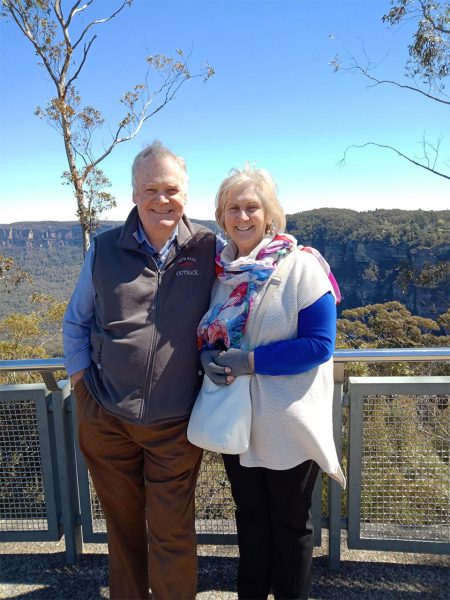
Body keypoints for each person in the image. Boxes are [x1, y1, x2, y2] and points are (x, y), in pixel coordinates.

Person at [63, 141, 216, 600]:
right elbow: (76, 321)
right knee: (123, 533)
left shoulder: (210, 247)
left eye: (171, 189)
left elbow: (255, 276)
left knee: (172, 534)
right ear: (133, 194)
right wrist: (81, 388)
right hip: (106, 417)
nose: (161, 199)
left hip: (175, 425)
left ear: (186, 194)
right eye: (151, 189)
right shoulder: (105, 248)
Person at [197, 165, 346, 600]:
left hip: (289, 423)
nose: (242, 217)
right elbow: (212, 332)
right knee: (251, 520)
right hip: (240, 423)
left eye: (251, 207)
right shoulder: (222, 275)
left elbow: (319, 345)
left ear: (269, 215)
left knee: (291, 524)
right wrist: (207, 355)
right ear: (222, 216)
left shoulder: (303, 266)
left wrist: (251, 361)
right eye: (232, 208)